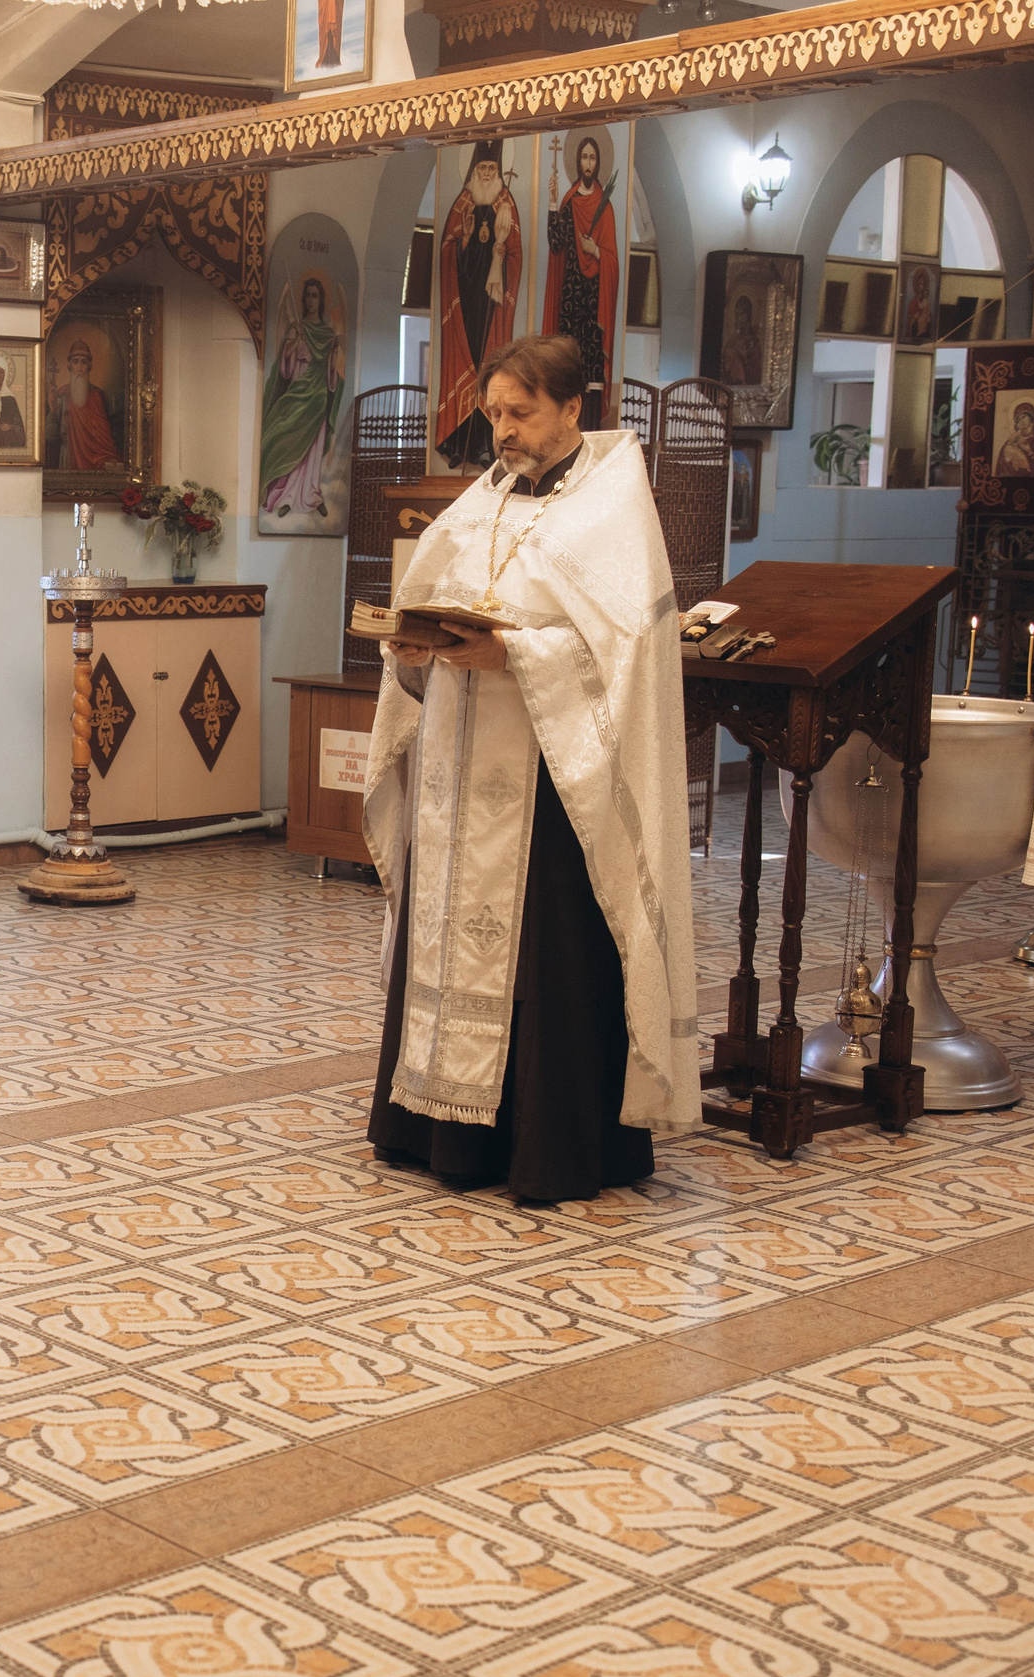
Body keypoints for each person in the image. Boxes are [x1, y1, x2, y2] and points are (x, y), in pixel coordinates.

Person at [363, 334, 699, 1202]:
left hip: (556, 781)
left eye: (521, 412)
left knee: (548, 952)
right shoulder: (486, 496)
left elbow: (624, 650)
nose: (503, 430)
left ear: (572, 408)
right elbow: (434, 590)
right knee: (445, 927)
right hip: (458, 760)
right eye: (494, 413)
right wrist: (414, 645)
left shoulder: (613, 506)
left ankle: (547, 1145)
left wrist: (515, 654)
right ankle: (436, 1131)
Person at [435, 142, 522, 471]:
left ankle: (486, 446)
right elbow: (447, 253)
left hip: (492, 304)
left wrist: (502, 255)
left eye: (491, 169)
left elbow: (517, 256)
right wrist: (466, 239)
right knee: (464, 364)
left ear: (498, 171)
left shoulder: (506, 204)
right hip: (465, 302)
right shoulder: (463, 203)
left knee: (489, 368)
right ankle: (458, 444)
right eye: (482, 168)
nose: (486, 174)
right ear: (473, 171)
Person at [259, 273, 345, 523]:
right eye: (307, 295)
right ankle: (287, 495)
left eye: (314, 296)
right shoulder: (297, 329)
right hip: (298, 391)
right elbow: (284, 370)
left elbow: (333, 374)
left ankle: (310, 496)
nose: (310, 300)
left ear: (321, 300)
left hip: (317, 395)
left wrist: (334, 352)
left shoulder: (326, 334)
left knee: (312, 448)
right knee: (288, 440)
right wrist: (294, 342)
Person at [542, 136, 617, 410]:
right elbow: (556, 243)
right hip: (571, 297)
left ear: (598, 163)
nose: (588, 163)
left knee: (591, 370)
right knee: (568, 365)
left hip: (594, 300)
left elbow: (613, 261)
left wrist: (595, 250)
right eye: (584, 157)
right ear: (577, 162)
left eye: (592, 158)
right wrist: (553, 203)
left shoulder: (605, 207)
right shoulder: (570, 201)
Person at [46, 338, 121, 471]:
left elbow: (104, 440)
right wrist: (52, 410)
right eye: (75, 362)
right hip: (67, 459)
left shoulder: (97, 396)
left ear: (89, 366)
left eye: (84, 362)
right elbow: (49, 436)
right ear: (69, 365)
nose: (79, 368)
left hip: (94, 462)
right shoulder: (60, 395)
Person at [996, 401, 1034, 477]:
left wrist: (1030, 452)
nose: (1021, 420)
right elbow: (1001, 463)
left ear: (1032, 417)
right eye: (1018, 419)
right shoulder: (1013, 439)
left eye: (1023, 417)